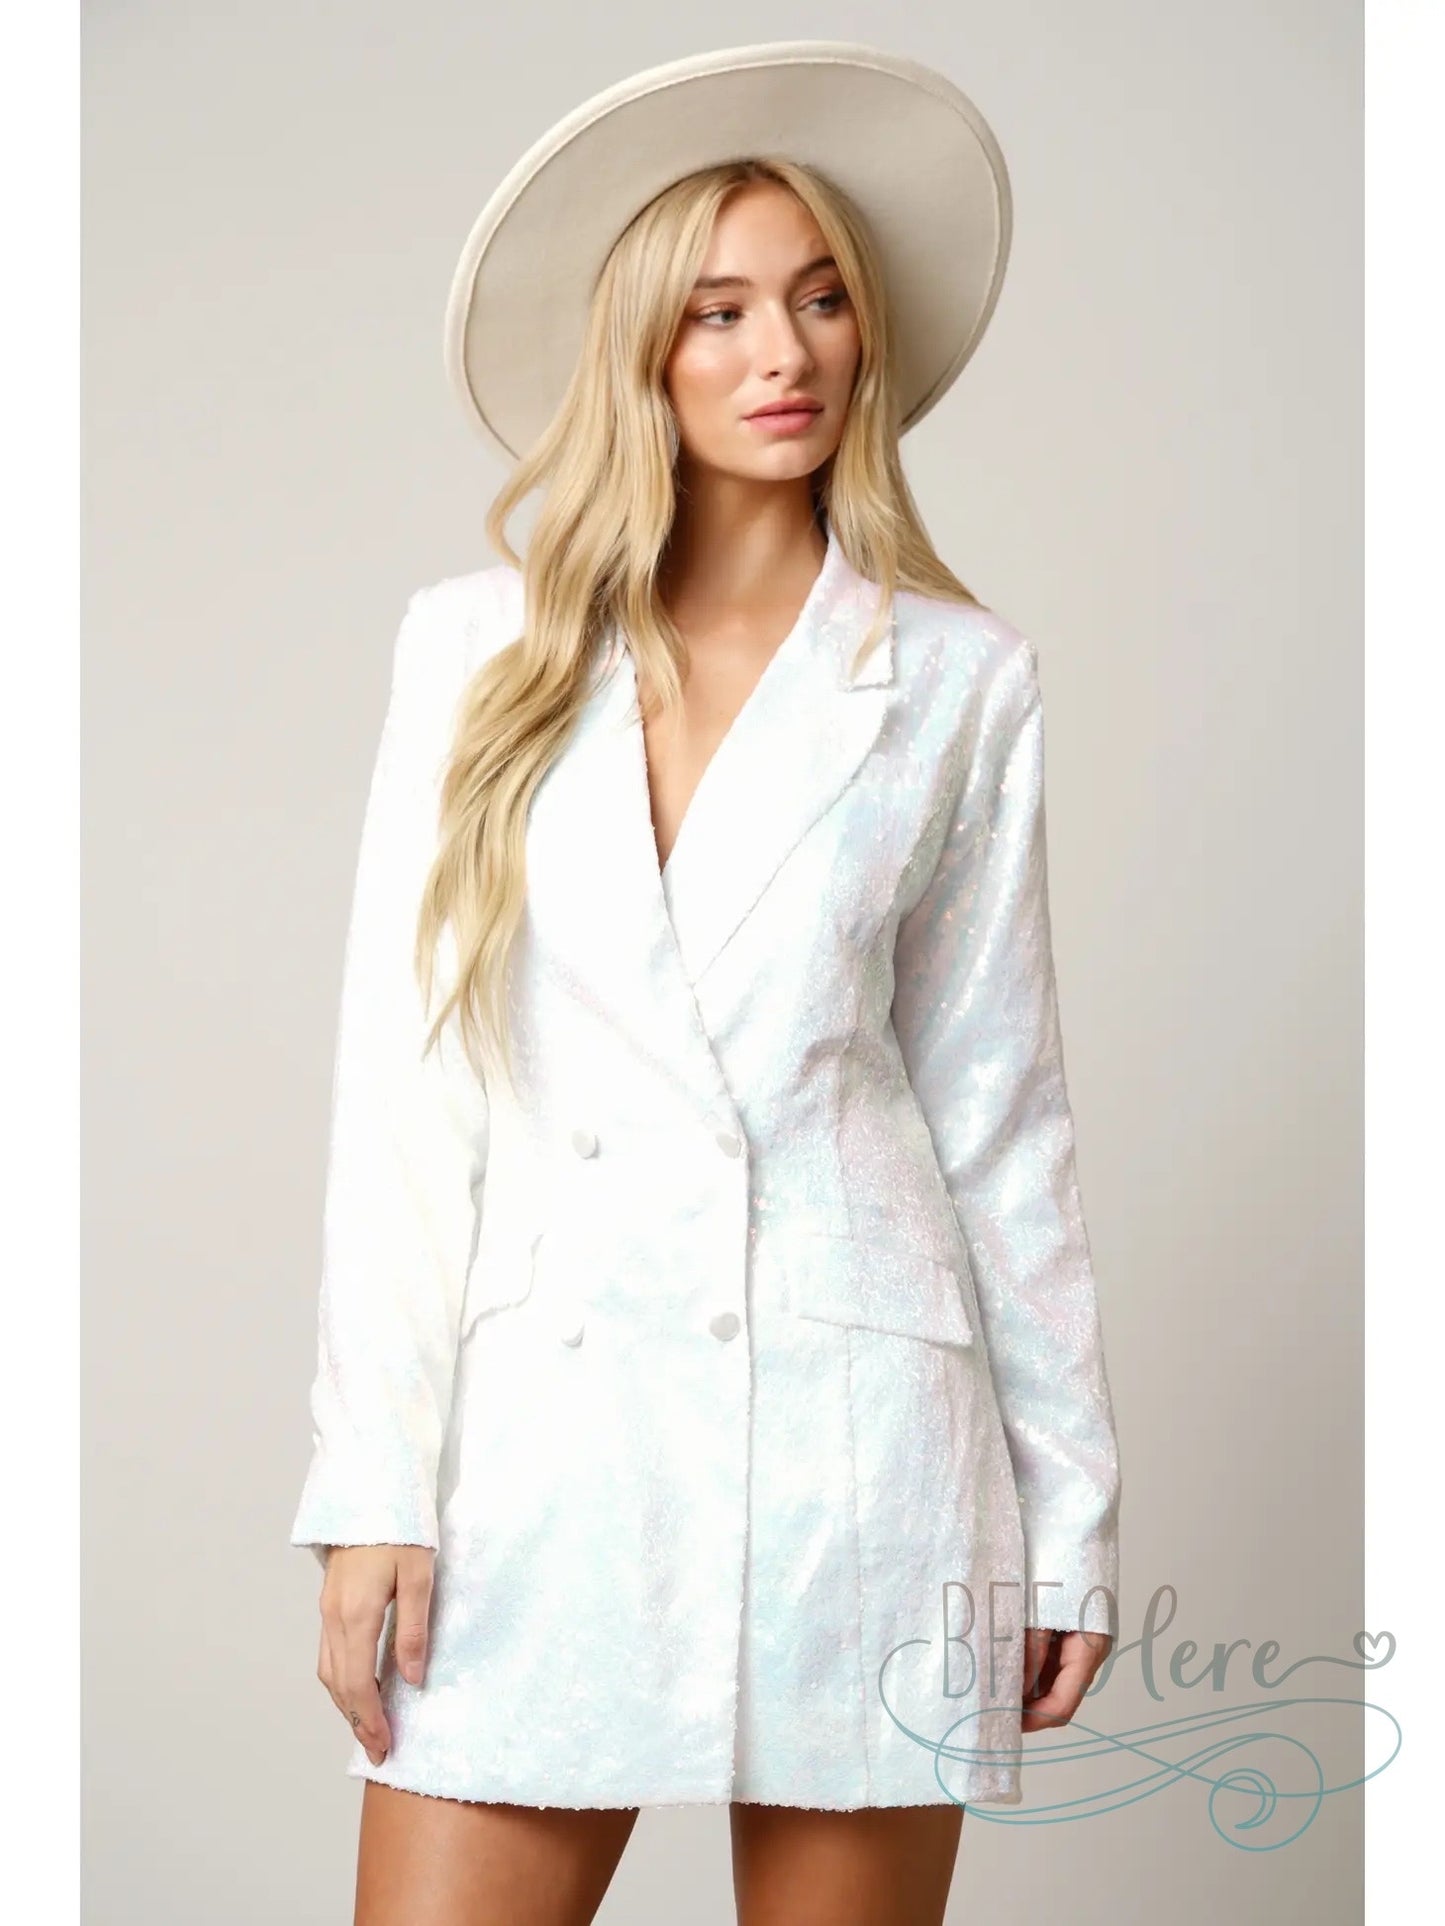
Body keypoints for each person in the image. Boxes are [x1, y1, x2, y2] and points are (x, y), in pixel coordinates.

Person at [290, 41, 1123, 1926]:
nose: (784, 352)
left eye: (820, 298)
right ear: (641, 352)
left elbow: (1001, 1121)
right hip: (545, 1438)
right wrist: (371, 1489)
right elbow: (406, 1099)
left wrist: (1069, 1520)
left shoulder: (958, 680)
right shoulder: (475, 655)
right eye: (720, 310)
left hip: (861, 1445)